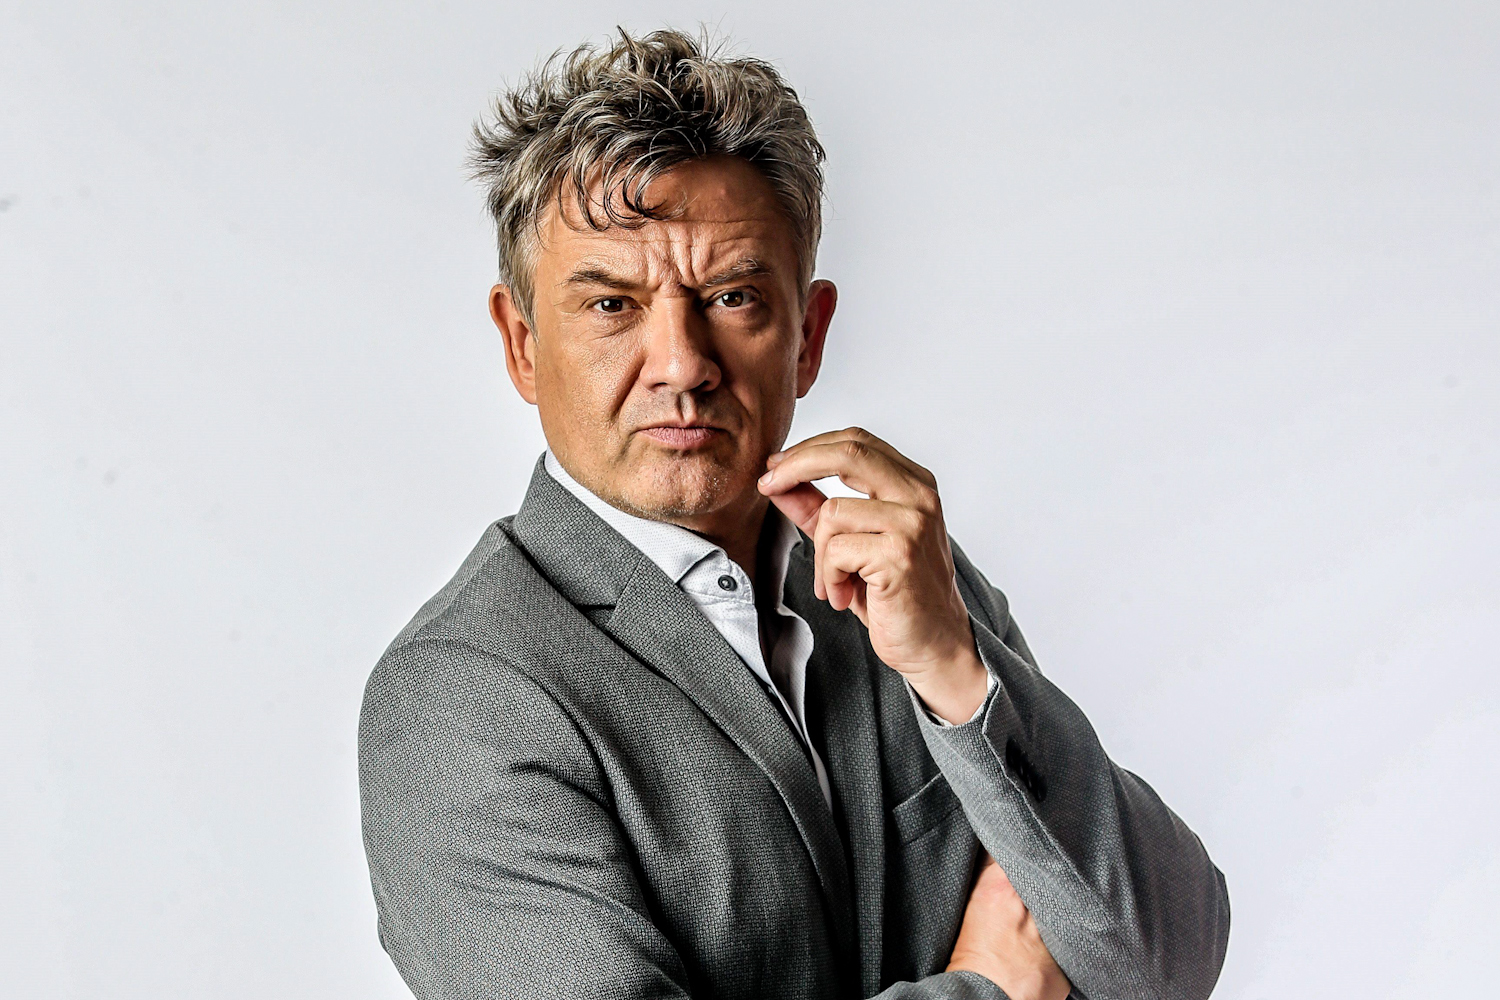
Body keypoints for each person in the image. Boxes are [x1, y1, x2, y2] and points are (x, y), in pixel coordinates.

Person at [358, 28, 1230, 1000]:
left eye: (732, 296)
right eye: (611, 306)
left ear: (807, 336)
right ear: (522, 345)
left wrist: (956, 671)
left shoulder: (906, 583)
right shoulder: (457, 696)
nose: (682, 363)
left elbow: (1165, 964)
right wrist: (992, 989)